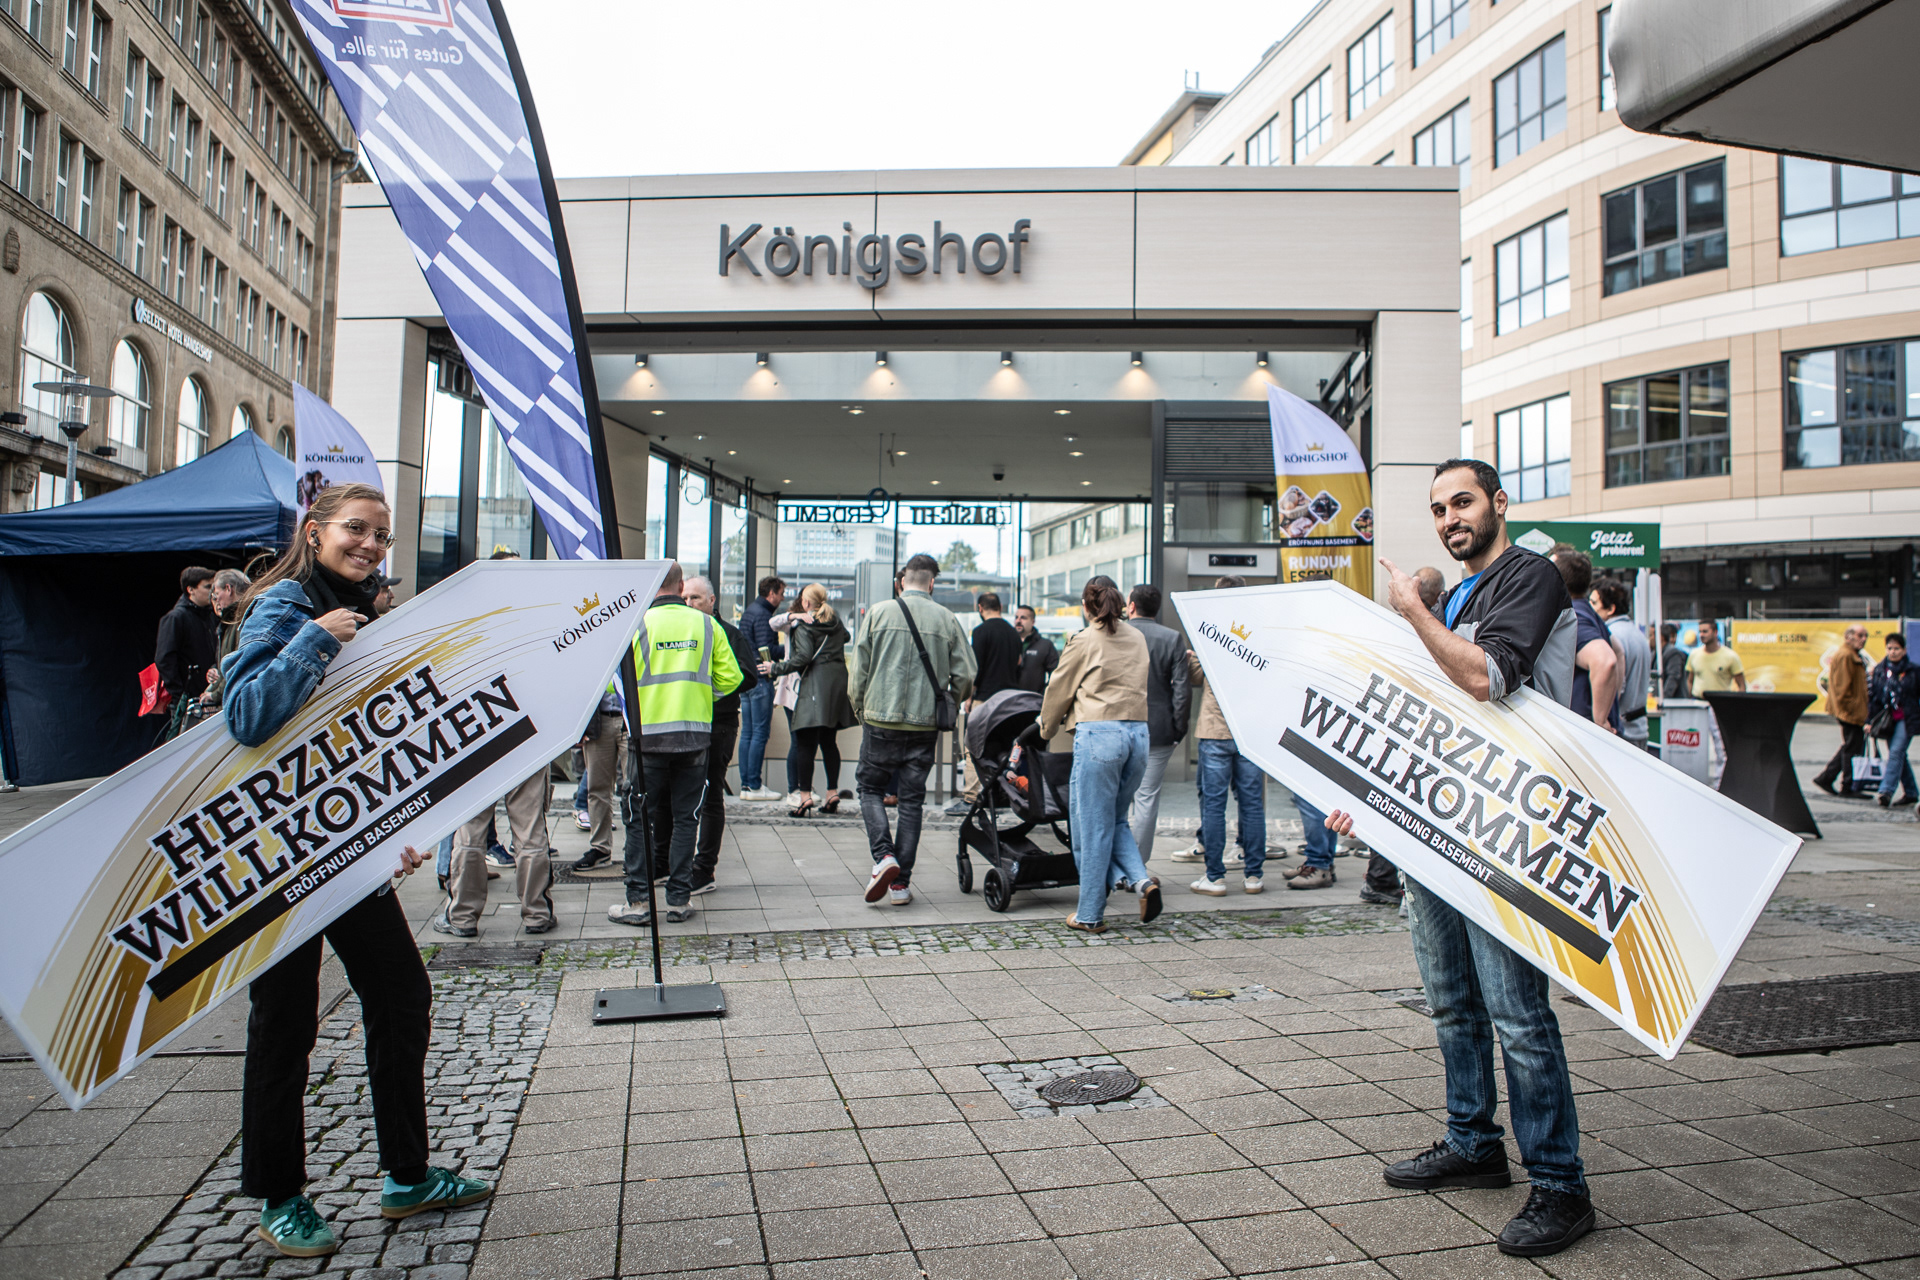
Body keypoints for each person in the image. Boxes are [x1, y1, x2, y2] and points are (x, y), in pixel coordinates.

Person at [1324, 458, 1592, 1258]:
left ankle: (1560, 1184)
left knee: (1517, 1012)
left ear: (1498, 503)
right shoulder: (1467, 595)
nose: (1449, 518)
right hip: (1439, 831)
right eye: (1438, 508)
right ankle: (1474, 1142)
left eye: (1463, 502)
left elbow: (1485, 677)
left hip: (1505, 835)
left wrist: (1412, 609)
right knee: (1451, 1002)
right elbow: (1419, 717)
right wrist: (1368, 804)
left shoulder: (1530, 577)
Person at [220, 482, 487, 1258]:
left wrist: (395, 833)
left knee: (402, 996)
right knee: (284, 1022)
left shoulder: (369, 608)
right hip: (281, 856)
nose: (370, 545)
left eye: (380, 535)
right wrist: (317, 638)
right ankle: (281, 1194)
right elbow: (246, 719)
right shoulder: (284, 607)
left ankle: (406, 1176)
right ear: (315, 530)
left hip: (343, 846)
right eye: (356, 530)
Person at [607, 562, 744, 927]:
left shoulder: (634, 624)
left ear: (653, 586)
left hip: (646, 739)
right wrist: (698, 696)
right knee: (688, 818)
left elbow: (610, 684)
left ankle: (637, 902)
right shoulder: (706, 624)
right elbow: (731, 678)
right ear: (681, 585)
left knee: (639, 820)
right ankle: (679, 901)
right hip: (694, 739)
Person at [849, 553, 975, 907]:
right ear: (932, 582)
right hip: (924, 725)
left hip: (880, 719)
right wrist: (948, 700)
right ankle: (900, 885)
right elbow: (966, 675)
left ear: (902, 580)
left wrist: (863, 710)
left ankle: (883, 856)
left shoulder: (878, 613)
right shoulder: (947, 619)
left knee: (869, 788)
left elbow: (858, 672)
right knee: (912, 802)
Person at [1040, 577, 1159, 932]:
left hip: (1099, 736)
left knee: (1091, 828)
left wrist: (1046, 730)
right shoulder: (1137, 636)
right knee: (1117, 819)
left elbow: (1058, 688)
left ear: (1086, 605)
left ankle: (1090, 914)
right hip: (1138, 735)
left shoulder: (1084, 639)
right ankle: (1142, 882)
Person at [1181, 576, 1273, 893]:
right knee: (1251, 805)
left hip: (1216, 730)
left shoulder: (1212, 631)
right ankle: (1254, 876)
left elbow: (1194, 677)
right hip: (1249, 731)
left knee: (1213, 805)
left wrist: (1194, 658)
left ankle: (1216, 877)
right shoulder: (1260, 631)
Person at [681, 575, 757, 892]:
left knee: (710, 797)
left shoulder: (728, 633)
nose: (688, 604)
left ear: (712, 601)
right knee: (683, 797)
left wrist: (709, 692)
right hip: (684, 724)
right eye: (684, 598)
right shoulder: (682, 631)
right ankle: (675, 865)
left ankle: (703, 869)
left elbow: (748, 676)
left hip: (718, 724)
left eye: (695, 598)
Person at [761, 583, 854, 818]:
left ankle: (804, 797)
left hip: (813, 686)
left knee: (804, 743)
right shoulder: (835, 621)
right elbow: (846, 636)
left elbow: (802, 658)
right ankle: (832, 792)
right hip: (836, 685)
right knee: (829, 741)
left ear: (805, 603)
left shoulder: (804, 625)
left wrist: (776, 667)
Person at [1124, 584, 1191, 862]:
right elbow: (1182, 688)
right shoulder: (1172, 638)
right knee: (1146, 799)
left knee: (1117, 799)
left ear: (1131, 606)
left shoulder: (1117, 634)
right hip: (1158, 729)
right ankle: (1137, 868)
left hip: (1118, 725)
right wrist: (1178, 728)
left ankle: (1115, 863)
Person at [952, 592, 1023, 812]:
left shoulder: (981, 631)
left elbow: (976, 668)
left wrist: (970, 696)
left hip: (985, 699)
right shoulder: (1013, 633)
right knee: (1001, 749)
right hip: (1009, 702)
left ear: (980, 608)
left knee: (974, 748)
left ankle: (972, 798)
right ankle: (1000, 796)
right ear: (1000, 607)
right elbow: (1019, 663)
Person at [1552, 551, 1622, 736]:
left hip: (1586, 734)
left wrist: (1600, 721)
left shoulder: (1575, 616)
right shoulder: (1588, 611)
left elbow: (1606, 661)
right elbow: (1619, 651)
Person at [567, 680, 628, 875]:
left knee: (634, 789)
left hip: (631, 717)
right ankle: (600, 848)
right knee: (597, 788)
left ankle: (638, 850)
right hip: (598, 721)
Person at [736, 577, 787, 800]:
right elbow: (769, 650)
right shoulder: (765, 616)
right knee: (759, 732)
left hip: (746, 678)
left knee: (747, 732)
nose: (783, 597)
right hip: (760, 679)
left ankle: (746, 785)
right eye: (781, 593)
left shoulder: (749, 612)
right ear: (772, 593)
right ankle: (755, 785)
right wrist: (790, 647)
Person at [1590, 579, 1651, 753]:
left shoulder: (1612, 636)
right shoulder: (1638, 635)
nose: (1590, 608)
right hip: (1638, 728)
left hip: (1619, 731)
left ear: (1611, 609)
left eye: (1594, 603)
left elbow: (1616, 685)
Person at [1813, 625, 1871, 798]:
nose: (1863, 639)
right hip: (1850, 711)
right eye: (1860, 635)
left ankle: (1826, 777)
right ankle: (1848, 786)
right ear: (1848, 637)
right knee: (1852, 747)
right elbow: (1842, 688)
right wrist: (1850, 710)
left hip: (1852, 710)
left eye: (1865, 636)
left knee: (1851, 745)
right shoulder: (1846, 655)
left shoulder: (1851, 655)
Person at [156, 566, 220, 719]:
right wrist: (180, 697)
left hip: (210, 697)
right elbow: (164, 660)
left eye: (214, 586)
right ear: (190, 589)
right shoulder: (175, 618)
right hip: (188, 703)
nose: (212, 591)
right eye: (207, 587)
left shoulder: (211, 615)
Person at [1686, 620, 1745, 778]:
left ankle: (1720, 783)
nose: (1702, 635)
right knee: (1694, 744)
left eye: (1705, 631)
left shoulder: (1730, 656)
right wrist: (1690, 696)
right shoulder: (1694, 655)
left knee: (1721, 747)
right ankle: (1697, 778)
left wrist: (1736, 707)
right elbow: (1689, 679)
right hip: (1698, 704)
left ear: (1715, 632)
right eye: (1700, 631)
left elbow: (1741, 684)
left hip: (1719, 706)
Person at [1870, 633, 1919, 809]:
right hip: (1888, 719)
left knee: (1896, 752)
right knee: (1899, 755)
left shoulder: (1914, 670)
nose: (1893, 652)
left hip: (1907, 718)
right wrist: (1869, 721)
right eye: (1890, 648)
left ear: (1904, 650)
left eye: (1897, 648)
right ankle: (1912, 792)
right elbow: (1874, 697)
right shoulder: (1880, 670)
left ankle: (1886, 791)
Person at [1013, 604, 1059, 692]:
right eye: (1016, 617)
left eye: (1023, 618)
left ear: (1033, 622)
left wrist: (1044, 693)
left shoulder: (1045, 645)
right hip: (1009, 700)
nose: (1018, 621)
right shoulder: (1008, 643)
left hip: (1034, 700)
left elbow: (1056, 674)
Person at [1659, 623, 1687, 701]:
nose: (1672, 640)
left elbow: (1673, 677)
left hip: (1674, 702)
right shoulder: (1656, 653)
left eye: (1674, 636)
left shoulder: (1674, 653)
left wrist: (1664, 698)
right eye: (1670, 637)